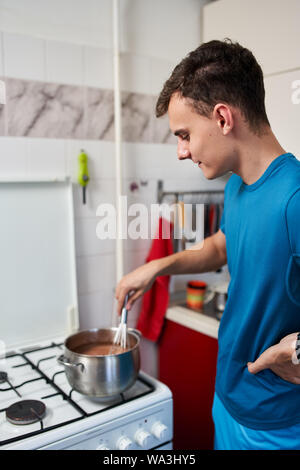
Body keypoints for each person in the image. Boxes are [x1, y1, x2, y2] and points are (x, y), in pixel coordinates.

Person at [115, 39, 300, 450]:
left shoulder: (294, 198)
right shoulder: (238, 185)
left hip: (277, 426)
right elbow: (222, 245)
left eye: (184, 135)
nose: (181, 152)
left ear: (222, 117)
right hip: (229, 400)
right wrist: (156, 267)